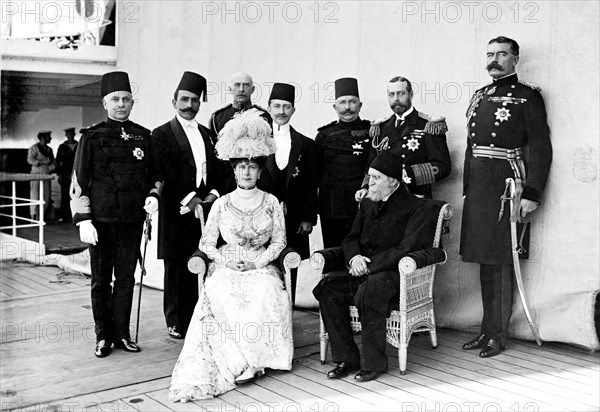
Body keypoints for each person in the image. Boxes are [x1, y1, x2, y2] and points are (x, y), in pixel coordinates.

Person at [169, 111, 293, 402]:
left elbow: (280, 242)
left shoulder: (272, 201)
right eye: (241, 167)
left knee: (265, 290)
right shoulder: (222, 204)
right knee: (220, 290)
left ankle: (256, 360)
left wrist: (256, 262)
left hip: (259, 263)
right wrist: (226, 261)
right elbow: (207, 243)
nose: (247, 172)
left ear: (260, 171)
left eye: (252, 167)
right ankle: (235, 360)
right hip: (227, 263)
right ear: (234, 171)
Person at [313, 150, 441, 383]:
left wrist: (370, 267)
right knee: (328, 289)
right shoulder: (368, 204)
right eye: (369, 177)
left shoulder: (416, 207)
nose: (369, 183)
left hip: (394, 275)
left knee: (369, 290)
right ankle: (347, 358)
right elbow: (351, 239)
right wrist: (355, 259)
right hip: (362, 270)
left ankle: (374, 364)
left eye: (376, 178)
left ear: (392, 180)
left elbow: (406, 248)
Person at [460, 36, 552, 358]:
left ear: (515, 58)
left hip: (506, 188)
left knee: (501, 262)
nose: (494, 59)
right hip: (480, 189)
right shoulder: (480, 95)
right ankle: (486, 330)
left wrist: (532, 193)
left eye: (501, 54)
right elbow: (472, 149)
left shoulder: (528, 97)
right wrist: (468, 190)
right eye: (490, 54)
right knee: (485, 261)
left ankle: (498, 336)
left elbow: (541, 148)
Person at [70, 71, 153, 358]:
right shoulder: (91, 136)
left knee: (127, 280)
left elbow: (155, 175)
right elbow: (78, 180)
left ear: (132, 102)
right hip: (101, 223)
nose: (121, 104)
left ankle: (122, 333)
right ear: (105, 103)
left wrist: (153, 196)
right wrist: (84, 219)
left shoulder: (144, 135)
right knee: (101, 281)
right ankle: (103, 336)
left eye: (126, 99)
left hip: (131, 221)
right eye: (115, 99)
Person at [146, 71, 225, 340]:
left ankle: (198, 316)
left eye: (194, 101)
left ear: (200, 104)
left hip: (206, 209)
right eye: (184, 99)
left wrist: (212, 194)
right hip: (177, 210)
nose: (190, 105)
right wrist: (190, 199)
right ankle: (176, 320)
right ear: (174, 102)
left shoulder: (206, 134)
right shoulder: (161, 134)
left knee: (200, 261)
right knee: (177, 267)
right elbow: (163, 170)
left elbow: (218, 170)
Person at [355, 76, 451, 201]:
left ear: (411, 95)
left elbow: (442, 166)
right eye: (391, 94)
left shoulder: (428, 125)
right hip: (384, 200)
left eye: (401, 93)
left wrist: (408, 173)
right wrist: (366, 188)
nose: (396, 99)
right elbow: (371, 166)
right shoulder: (381, 127)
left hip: (415, 198)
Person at [258, 82, 318, 260]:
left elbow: (311, 183)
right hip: (262, 218)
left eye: (286, 107)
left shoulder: (306, 145)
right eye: (276, 106)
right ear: (269, 108)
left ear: (293, 110)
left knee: (292, 265)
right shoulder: (257, 141)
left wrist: (308, 217)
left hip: (295, 218)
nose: (281, 111)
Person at [315, 77, 371, 248]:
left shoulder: (373, 132)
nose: (347, 107)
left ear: (360, 105)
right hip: (332, 210)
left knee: (363, 257)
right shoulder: (324, 135)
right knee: (333, 257)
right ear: (335, 107)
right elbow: (314, 174)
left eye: (352, 102)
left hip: (363, 207)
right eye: (343, 102)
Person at [208, 71, 271, 136]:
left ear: (252, 89)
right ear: (230, 89)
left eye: (246, 85)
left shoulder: (265, 117)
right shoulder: (217, 118)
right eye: (237, 85)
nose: (241, 89)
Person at [27, 131, 56, 220]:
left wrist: (50, 168)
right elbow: (30, 160)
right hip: (35, 174)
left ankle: (42, 216)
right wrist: (41, 163)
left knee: (46, 196)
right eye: (48, 137)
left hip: (46, 174)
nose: (50, 138)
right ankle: (33, 216)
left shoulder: (49, 150)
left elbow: (53, 162)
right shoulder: (34, 148)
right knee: (35, 195)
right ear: (43, 138)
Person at [55, 127, 78, 221]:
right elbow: (58, 161)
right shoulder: (62, 147)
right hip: (65, 173)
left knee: (76, 194)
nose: (70, 136)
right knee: (64, 195)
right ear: (66, 135)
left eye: (71, 134)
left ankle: (75, 214)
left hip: (76, 173)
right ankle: (64, 215)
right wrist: (59, 174)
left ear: (74, 134)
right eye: (68, 134)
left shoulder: (78, 145)